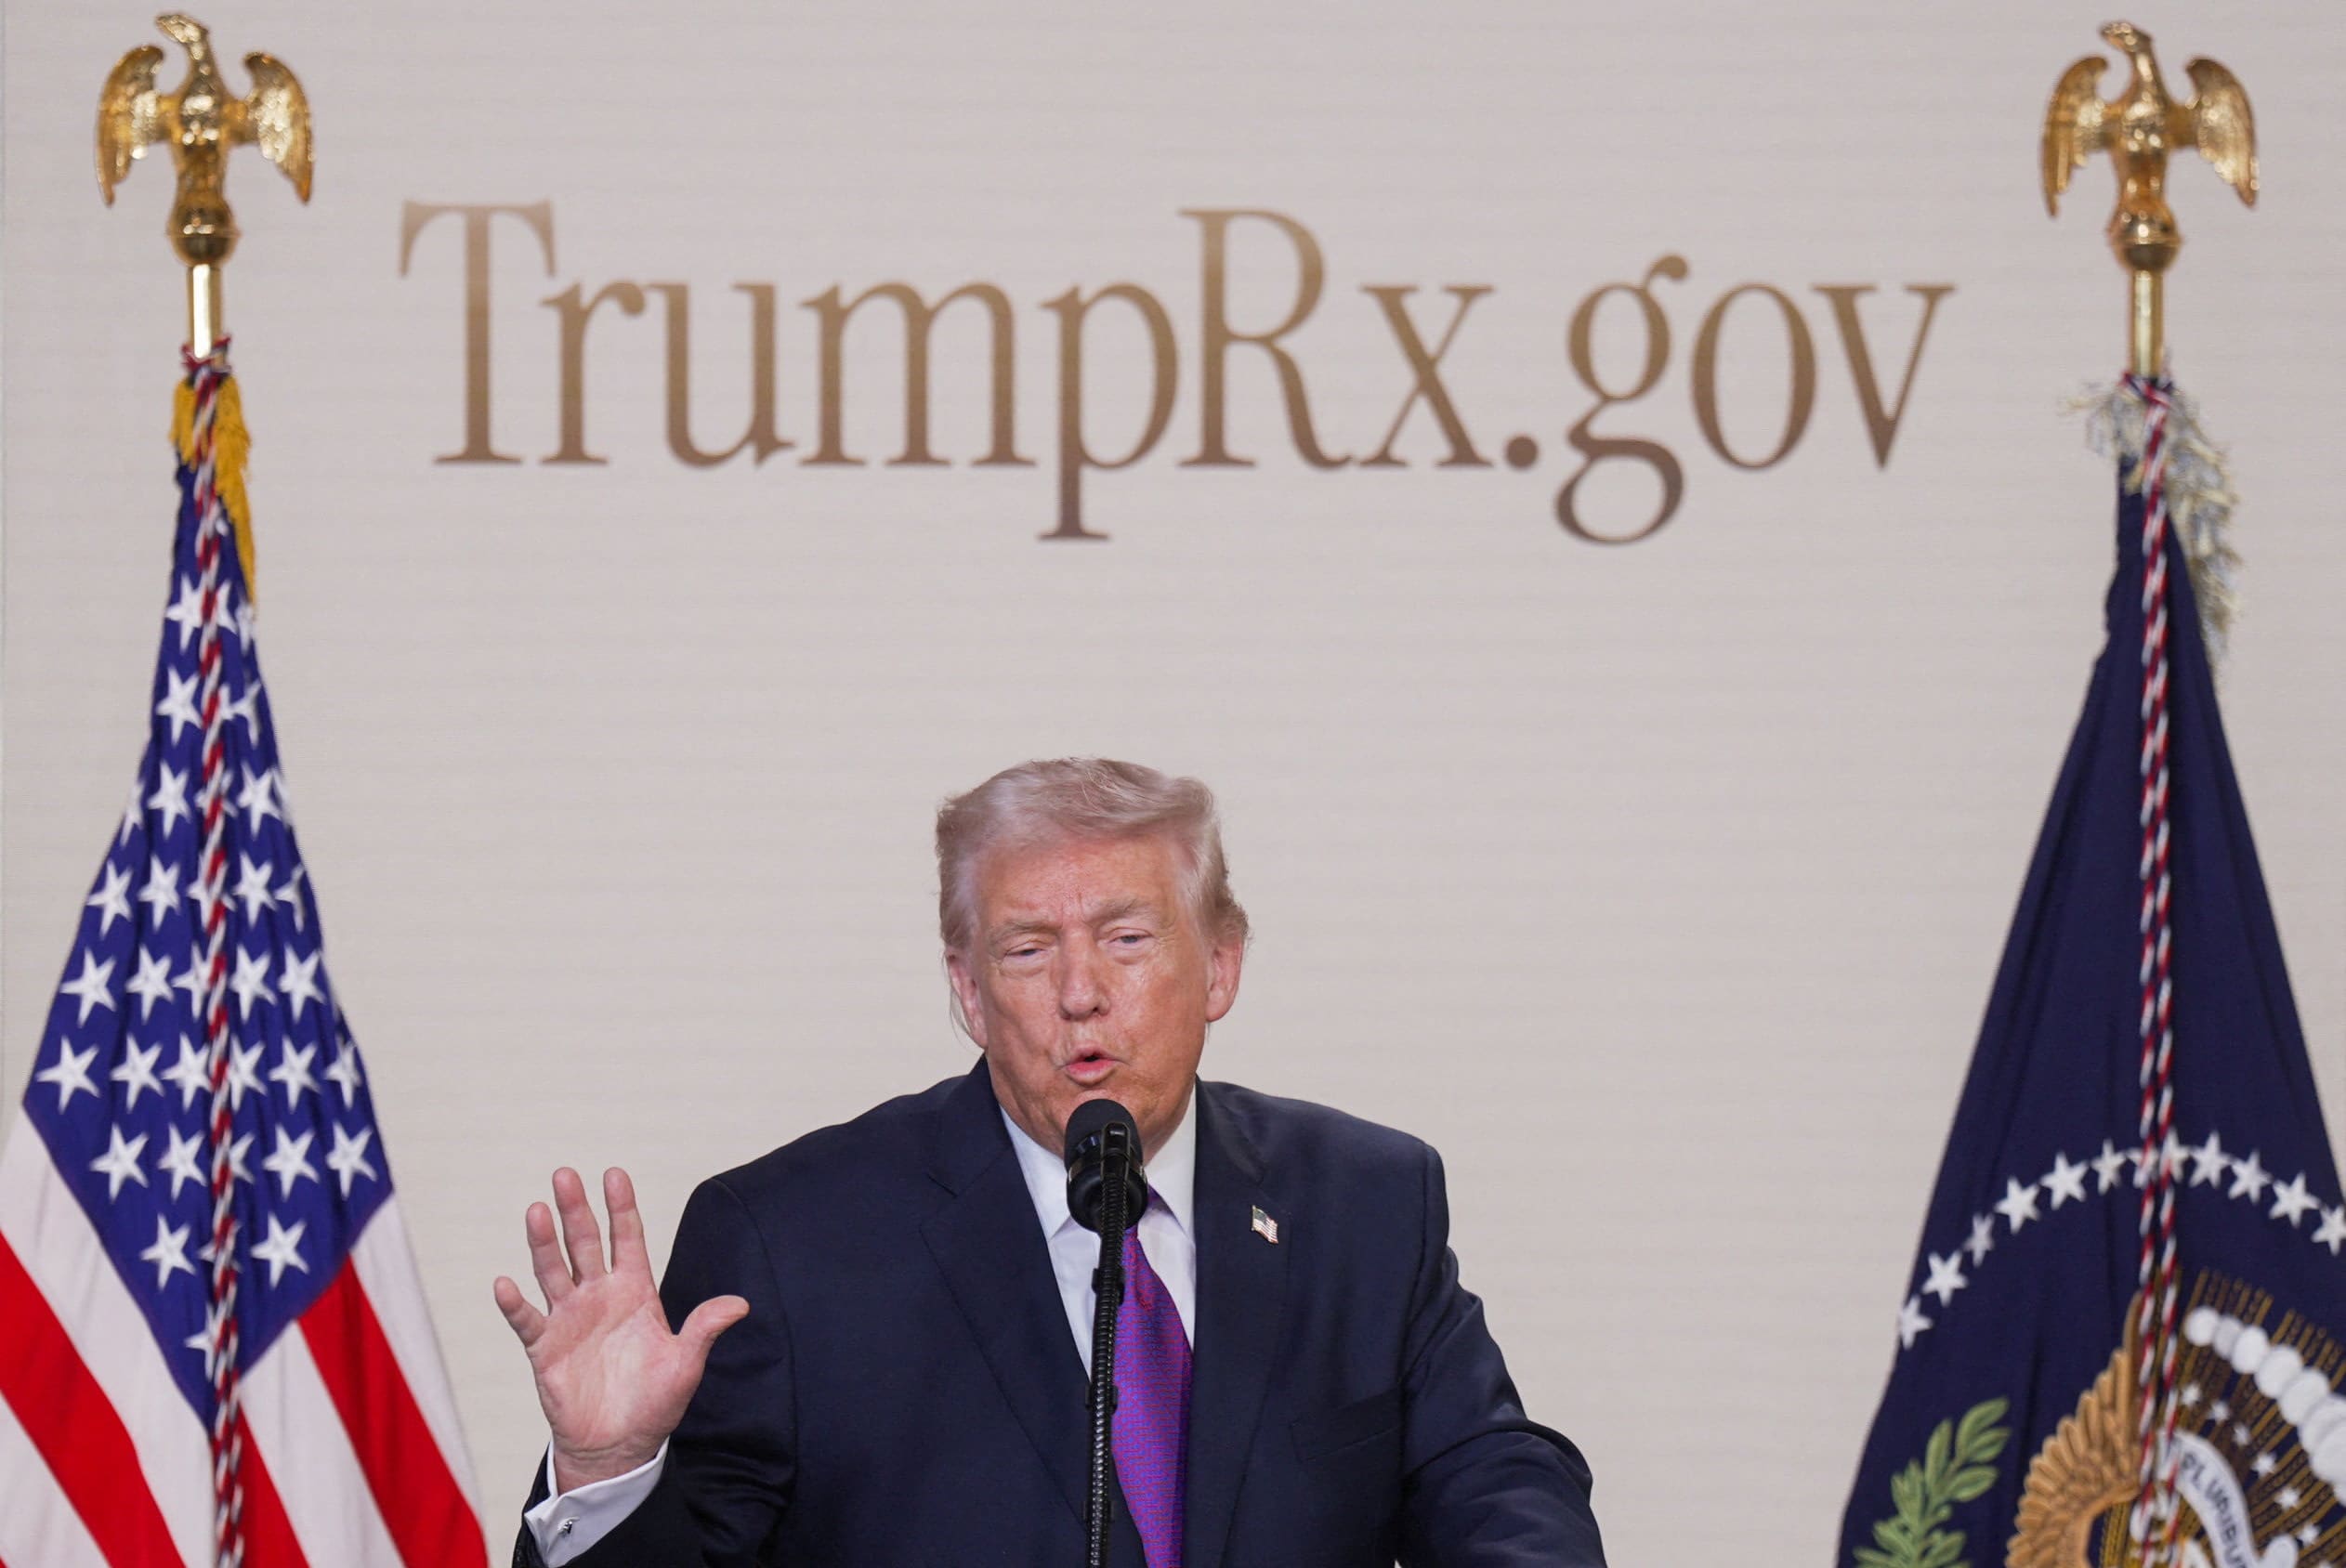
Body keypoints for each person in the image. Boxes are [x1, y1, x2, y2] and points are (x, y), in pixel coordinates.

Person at [497, 758, 1606, 1566]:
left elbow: (1492, 1475)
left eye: (1127, 938)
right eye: (1028, 948)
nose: (1080, 990)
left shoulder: (1363, 1201)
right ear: (969, 993)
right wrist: (609, 1474)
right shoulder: (791, 1240)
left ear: (1218, 965)